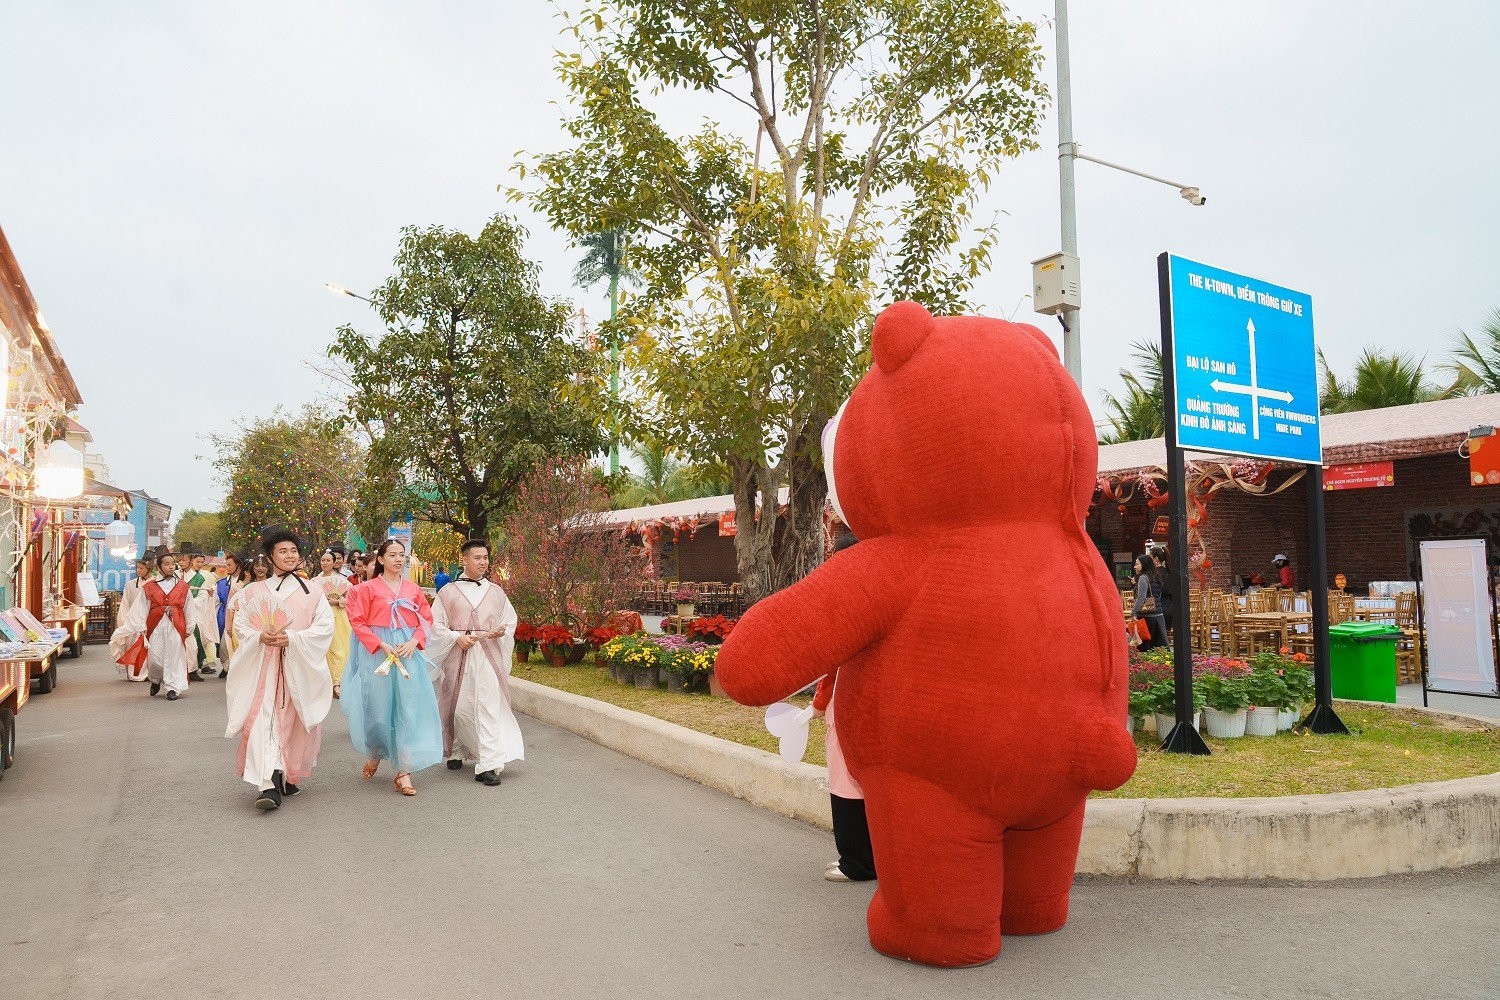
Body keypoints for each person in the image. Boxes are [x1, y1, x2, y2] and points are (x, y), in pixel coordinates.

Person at [225, 530, 335, 811]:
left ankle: (289, 772)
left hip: (298, 667)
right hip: (265, 667)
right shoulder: (254, 591)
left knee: (295, 722)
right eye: (283, 551)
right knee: (264, 721)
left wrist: (294, 638)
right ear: (271, 557)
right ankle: (269, 783)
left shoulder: (313, 592)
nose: (289, 556)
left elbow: (324, 627)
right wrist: (259, 637)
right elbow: (242, 626)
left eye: (293, 551)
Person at [341, 538, 443, 796]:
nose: (399, 560)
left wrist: (414, 641)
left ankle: (404, 772)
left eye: (402, 555)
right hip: (379, 654)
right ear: (382, 559)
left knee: (407, 708)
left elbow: (426, 619)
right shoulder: (366, 589)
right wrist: (379, 644)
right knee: (378, 707)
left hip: (406, 652)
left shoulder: (413, 589)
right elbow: (358, 622)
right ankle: (376, 752)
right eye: (393, 555)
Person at [428, 539, 523, 787]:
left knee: (488, 706)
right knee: (458, 706)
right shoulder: (447, 592)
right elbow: (435, 625)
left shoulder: (497, 592)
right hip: (459, 656)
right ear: (465, 560)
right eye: (478, 558)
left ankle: (488, 763)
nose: (483, 562)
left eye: (486, 558)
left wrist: (502, 631)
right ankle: (458, 748)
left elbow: (509, 620)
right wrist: (455, 637)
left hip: (488, 658)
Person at [810, 531, 876, 883]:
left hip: (849, 700)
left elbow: (833, 662)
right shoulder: (885, 592)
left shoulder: (846, 602)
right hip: (885, 702)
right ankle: (879, 856)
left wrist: (820, 703)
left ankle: (857, 862)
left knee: (846, 782)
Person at [109, 551, 199, 701]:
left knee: (174, 656)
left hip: (176, 624)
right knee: (155, 657)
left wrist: (190, 627)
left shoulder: (183, 586)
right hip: (155, 625)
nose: (171, 567)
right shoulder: (149, 587)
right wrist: (140, 625)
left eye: (172, 564)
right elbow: (141, 607)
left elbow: (189, 607)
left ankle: (172, 688)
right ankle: (156, 679)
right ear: (158, 567)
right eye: (167, 564)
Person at [314, 549, 352, 699]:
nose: (325, 563)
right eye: (323, 560)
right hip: (321, 617)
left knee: (339, 648)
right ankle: (325, 682)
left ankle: (337, 682)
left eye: (328, 560)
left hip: (338, 616)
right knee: (323, 650)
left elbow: (349, 598)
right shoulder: (315, 581)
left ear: (334, 563)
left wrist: (337, 601)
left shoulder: (342, 580)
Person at [117, 558, 155, 681]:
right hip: (134, 621)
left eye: (142, 568)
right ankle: (135, 673)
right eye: (137, 568)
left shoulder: (155, 584)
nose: (138, 570)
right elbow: (125, 603)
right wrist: (124, 621)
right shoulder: (131, 584)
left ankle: (152, 672)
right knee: (133, 646)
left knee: (152, 647)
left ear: (149, 569)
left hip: (151, 619)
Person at [185, 552, 220, 676]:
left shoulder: (205, 576)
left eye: (202, 562)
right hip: (182, 612)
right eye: (197, 561)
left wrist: (211, 594)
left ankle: (200, 665)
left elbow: (207, 595)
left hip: (198, 612)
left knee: (200, 639)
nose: (200, 564)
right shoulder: (179, 575)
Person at [216, 552, 251, 674]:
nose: (228, 568)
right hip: (225, 612)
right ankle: (226, 665)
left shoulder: (247, 584)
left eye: (230, 565)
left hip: (243, 615)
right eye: (226, 565)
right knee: (225, 642)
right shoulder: (222, 582)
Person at [1130, 554, 1167, 652]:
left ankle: (1145, 666)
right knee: (1159, 646)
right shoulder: (1156, 576)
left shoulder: (1143, 577)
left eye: (1137, 564)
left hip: (1147, 617)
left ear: (1144, 565)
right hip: (1158, 614)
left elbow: (1142, 597)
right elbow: (1154, 596)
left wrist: (1133, 612)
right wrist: (1135, 600)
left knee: (1144, 647)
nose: (1135, 567)